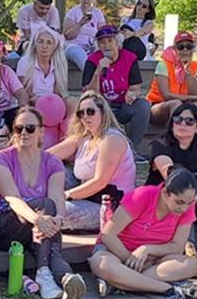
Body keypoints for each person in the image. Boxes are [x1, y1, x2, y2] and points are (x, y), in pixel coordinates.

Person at [0, 106, 86, 299]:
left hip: (37, 229)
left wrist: (58, 220)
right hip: (5, 224)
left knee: (51, 237)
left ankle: (67, 280)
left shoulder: (52, 162)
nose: (24, 133)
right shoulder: (2, 159)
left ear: (41, 132)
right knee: (45, 208)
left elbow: (57, 197)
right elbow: (12, 199)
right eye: (18, 128)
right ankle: (44, 273)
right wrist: (38, 220)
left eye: (30, 128)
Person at [89, 167, 197, 299]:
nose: (184, 208)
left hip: (153, 259)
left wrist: (147, 249)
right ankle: (168, 288)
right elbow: (107, 235)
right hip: (116, 252)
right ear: (165, 193)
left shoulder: (187, 207)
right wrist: (131, 260)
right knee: (102, 264)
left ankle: (119, 283)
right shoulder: (142, 195)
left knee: (191, 265)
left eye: (189, 203)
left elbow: (177, 246)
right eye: (179, 202)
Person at [147, 102, 197, 274]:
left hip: (195, 202)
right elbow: (171, 178)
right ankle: (189, 248)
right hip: (165, 199)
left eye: (189, 121)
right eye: (178, 120)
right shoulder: (160, 144)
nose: (182, 124)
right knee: (183, 194)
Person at [49, 91, 136, 231]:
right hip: (87, 195)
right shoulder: (84, 138)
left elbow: (100, 182)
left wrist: (66, 195)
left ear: (103, 113)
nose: (85, 117)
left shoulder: (112, 139)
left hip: (110, 204)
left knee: (52, 211)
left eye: (90, 112)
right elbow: (47, 156)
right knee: (54, 168)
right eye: (81, 113)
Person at [82, 25, 151, 155]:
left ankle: (133, 149)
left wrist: (131, 94)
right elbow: (89, 94)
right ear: (98, 45)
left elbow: (136, 88)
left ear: (117, 42)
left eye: (110, 41)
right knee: (90, 106)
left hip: (123, 105)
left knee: (143, 105)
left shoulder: (130, 58)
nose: (107, 45)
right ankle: (98, 149)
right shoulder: (92, 60)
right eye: (102, 42)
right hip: (101, 106)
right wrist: (98, 72)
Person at [146, 31, 197, 124]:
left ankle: (191, 130)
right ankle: (175, 131)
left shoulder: (196, 66)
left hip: (184, 103)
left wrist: (187, 72)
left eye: (189, 47)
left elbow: (196, 95)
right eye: (181, 47)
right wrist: (190, 97)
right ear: (174, 49)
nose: (185, 50)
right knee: (176, 103)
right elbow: (166, 95)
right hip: (158, 105)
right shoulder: (164, 65)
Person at [62, 0, 106, 69]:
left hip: (92, 46)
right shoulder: (73, 12)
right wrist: (80, 24)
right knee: (82, 57)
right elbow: (67, 36)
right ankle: (90, 73)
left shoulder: (97, 13)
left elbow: (102, 33)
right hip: (74, 45)